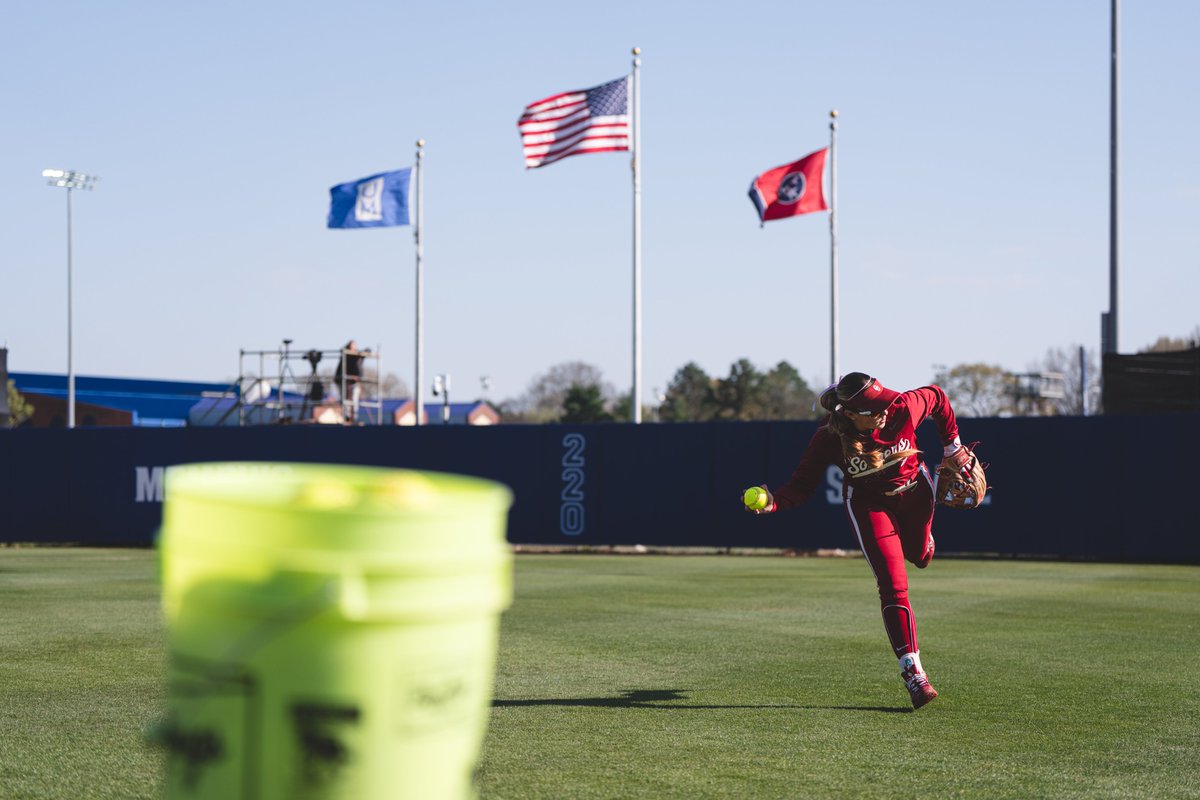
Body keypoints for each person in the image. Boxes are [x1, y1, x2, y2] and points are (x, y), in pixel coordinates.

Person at [745, 372, 968, 710]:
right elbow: (801, 487)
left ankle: (923, 543)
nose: (884, 410)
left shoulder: (902, 408)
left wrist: (953, 445)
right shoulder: (828, 438)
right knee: (893, 585)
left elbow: (936, 396)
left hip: (915, 493)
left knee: (920, 556)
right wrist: (774, 501)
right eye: (873, 408)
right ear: (849, 413)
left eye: (883, 402)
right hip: (869, 504)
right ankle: (914, 674)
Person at [333, 340, 366, 423]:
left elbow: (363, 356)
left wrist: (358, 377)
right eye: (352, 346)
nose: (354, 348)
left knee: (354, 399)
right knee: (345, 398)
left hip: (353, 381)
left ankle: (354, 416)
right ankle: (346, 416)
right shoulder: (345, 355)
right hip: (344, 381)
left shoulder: (356, 356)